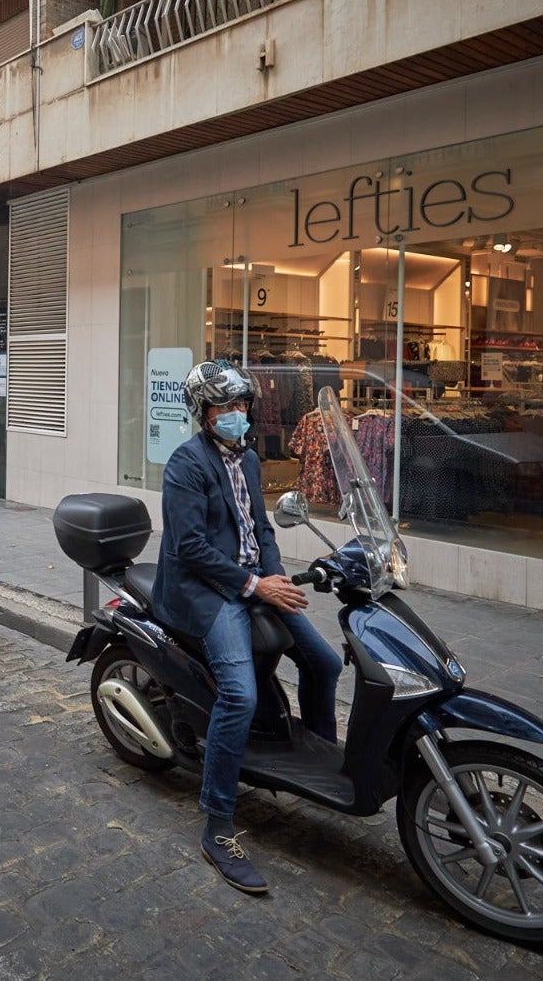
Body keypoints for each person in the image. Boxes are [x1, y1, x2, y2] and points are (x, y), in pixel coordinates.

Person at [153, 360, 343, 895]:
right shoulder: (185, 465)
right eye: (226, 407)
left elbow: (260, 528)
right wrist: (254, 587)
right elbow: (189, 546)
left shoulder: (251, 459)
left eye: (242, 406)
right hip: (205, 590)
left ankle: (316, 761)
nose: (237, 415)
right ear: (204, 414)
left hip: (255, 580)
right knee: (238, 694)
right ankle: (217, 823)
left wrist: (276, 576)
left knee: (324, 663)